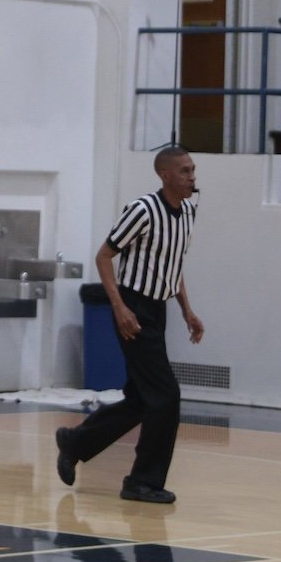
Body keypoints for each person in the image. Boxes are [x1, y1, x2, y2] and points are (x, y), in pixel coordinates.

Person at [55, 144, 204, 504]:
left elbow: (174, 265)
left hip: (159, 310)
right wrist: (119, 306)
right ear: (164, 175)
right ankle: (142, 481)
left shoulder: (188, 211)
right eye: (184, 171)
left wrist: (187, 309)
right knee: (166, 396)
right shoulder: (142, 210)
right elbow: (104, 256)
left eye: (192, 169)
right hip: (133, 309)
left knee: (142, 399)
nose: (191, 176)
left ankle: (76, 442)